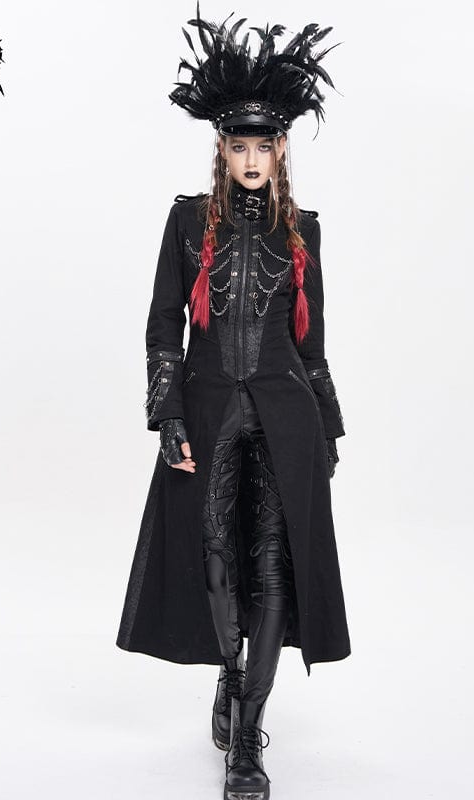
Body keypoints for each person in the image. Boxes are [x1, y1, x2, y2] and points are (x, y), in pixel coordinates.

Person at [116, 6, 351, 799]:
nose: (252, 158)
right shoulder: (187, 221)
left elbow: (313, 347)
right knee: (217, 565)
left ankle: (247, 735)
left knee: (276, 570)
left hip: (287, 419)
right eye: (239, 145)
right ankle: (232, 670)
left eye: (264, 145)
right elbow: (164, 328)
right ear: (222, 148)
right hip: (211, 411)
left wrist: (329, 431)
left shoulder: (302, 231)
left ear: (280, 149)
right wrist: (168, 414)